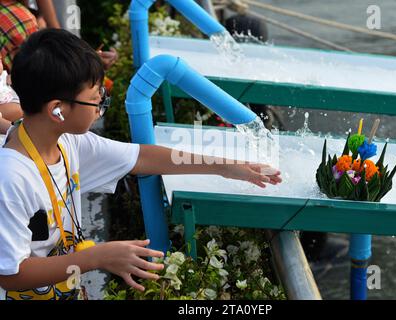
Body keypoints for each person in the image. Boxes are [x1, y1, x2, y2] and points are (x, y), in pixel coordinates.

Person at [0, 29, 282, 300]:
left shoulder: (66, 143)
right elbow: (11, 275)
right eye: (95, 100)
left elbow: (142, 157)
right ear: (58, 110)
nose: (100, 107)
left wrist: (224, 167)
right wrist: (97, 256)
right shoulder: (12, 177)